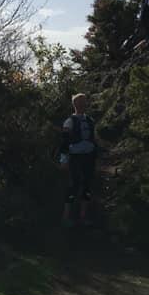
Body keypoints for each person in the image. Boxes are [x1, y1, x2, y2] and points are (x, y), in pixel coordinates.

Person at [59, 93, 97, 226]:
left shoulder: (90, 120)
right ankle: (66, 217)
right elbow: (64, 141)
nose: (83, 104)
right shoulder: (69, 121)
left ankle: (83, 216)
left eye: (84, 102)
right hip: (75, 157)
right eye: (80, 102)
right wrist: (64, 160)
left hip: (89, 157)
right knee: (73, 185)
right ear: (75, 104)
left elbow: (93, 138)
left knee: (87, 186)